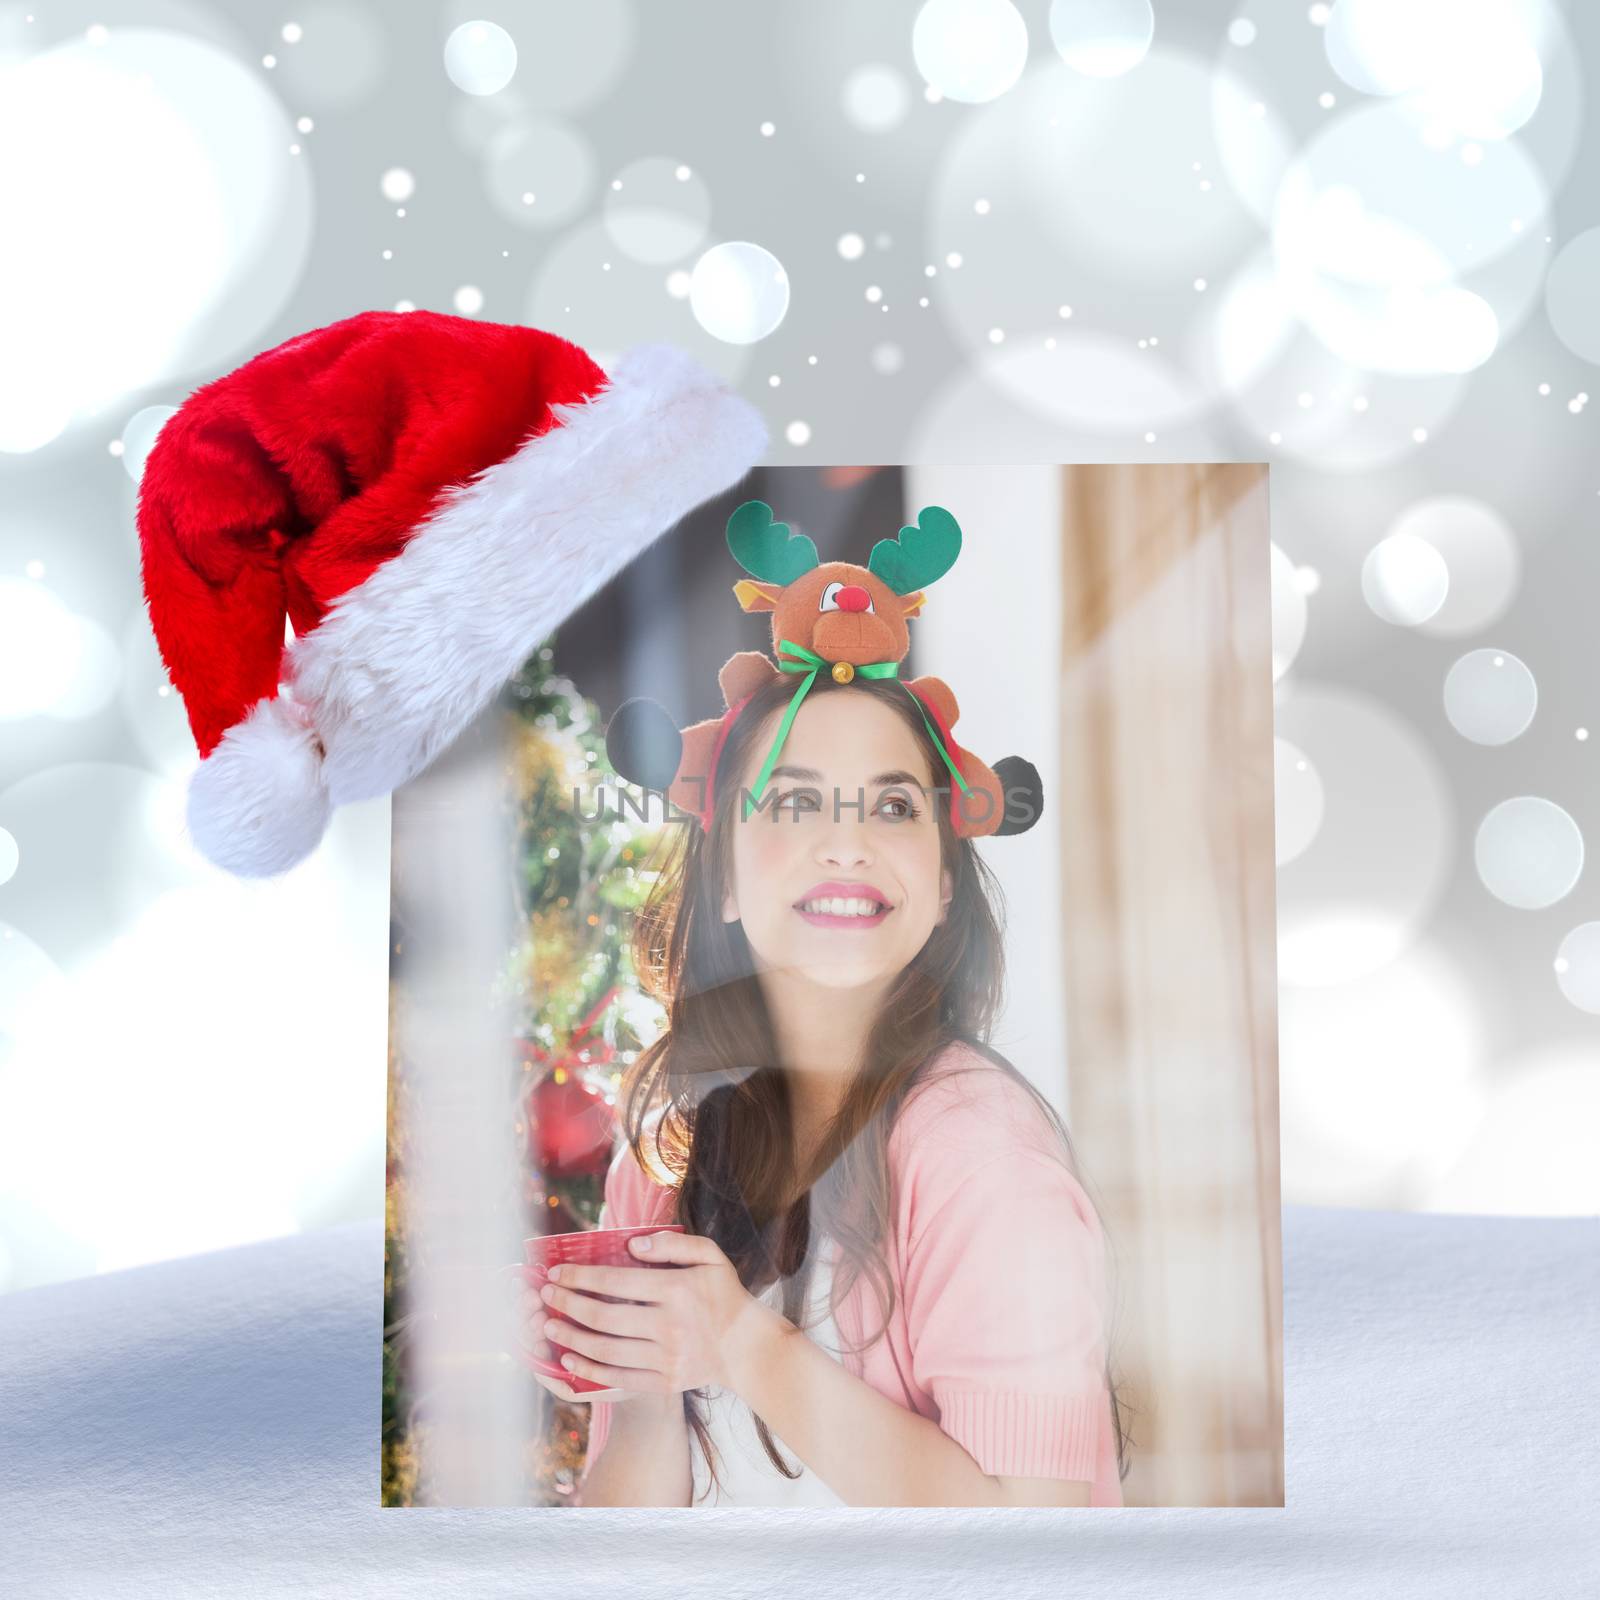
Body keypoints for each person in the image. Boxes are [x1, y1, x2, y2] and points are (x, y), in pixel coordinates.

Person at [513, 501, 1130, 1505]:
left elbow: (1034, 1538)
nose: (846, 842)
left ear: (939, 883)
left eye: (892, 805)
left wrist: (736, 1342)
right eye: (794, 802)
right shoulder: (662, 1162)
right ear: (720, 881)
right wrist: (629, 1362)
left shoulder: (980, 1155)